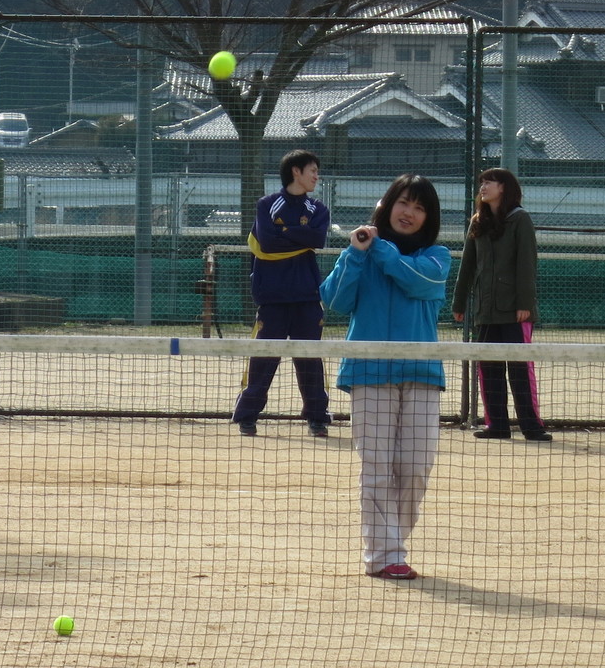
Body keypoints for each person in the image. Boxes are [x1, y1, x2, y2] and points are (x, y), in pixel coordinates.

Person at [320, 174, 451, 581]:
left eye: (419, 207)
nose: (409, 212)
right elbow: (334, 300)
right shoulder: (360, 252)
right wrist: (356, 254)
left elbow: (419, 283)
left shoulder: (437, 257)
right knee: (376, 466)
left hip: (421, 373)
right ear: (387, 204)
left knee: (415, 467)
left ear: (428, 218)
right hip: (368, 371)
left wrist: (382, 252)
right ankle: (386, 554)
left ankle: (390, 543)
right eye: (403, 203)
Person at [232, 149, 333, 437]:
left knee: (310, 359)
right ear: (295, 172)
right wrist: (294, 235)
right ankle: (247, 416)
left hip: (307, 297)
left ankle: (317, 417)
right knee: (263, 357)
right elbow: (267, 242)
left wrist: (283, 233)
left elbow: (317, 238)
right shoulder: (267, 204)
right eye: (312, 170)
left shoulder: (318, 209)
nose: (316, 176)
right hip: (272, 297)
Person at [452, 167, 551, 441]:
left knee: (520, 368)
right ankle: (497, 425)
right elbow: (468, 265)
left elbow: (527, 264)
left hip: (515, 311)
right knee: (489, 369)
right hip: (485, 311)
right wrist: (459, 302)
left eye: (489, 182)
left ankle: (531, 426)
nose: (483, 186)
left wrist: (525, 304)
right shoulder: (477, 222)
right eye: (481, 181)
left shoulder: (520, 219)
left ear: (503, 188)